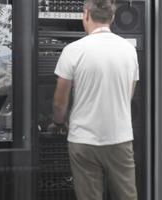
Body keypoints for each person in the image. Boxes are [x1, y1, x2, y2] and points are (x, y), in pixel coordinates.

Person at [49, 0, 139, 199]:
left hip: (83, 141)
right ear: (113, 17)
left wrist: (58, 122)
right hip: (119, 138)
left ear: (86, 14)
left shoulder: (73, 50)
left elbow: (59, 100)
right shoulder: (128, 50)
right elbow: (128, 94)